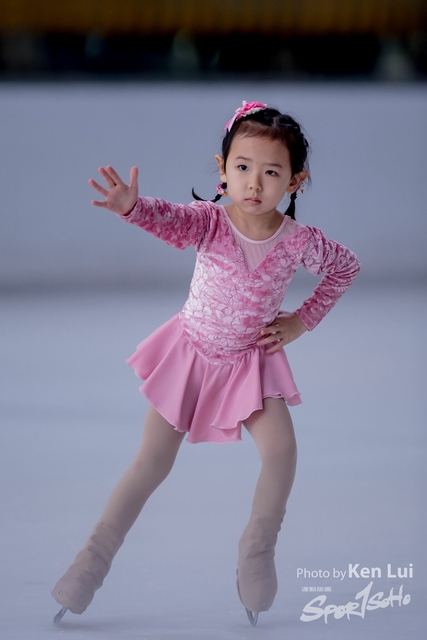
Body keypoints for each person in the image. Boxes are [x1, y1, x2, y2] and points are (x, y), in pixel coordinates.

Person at [51, 100, 360, 627]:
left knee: (282, 451)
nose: (254, 183)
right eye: (242, 167)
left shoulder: (299, 243)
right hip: (191, 355)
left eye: (271, 172)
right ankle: (90, 562)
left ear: (295, 181)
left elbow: (345, 268)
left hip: (249, 364)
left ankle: (256, 550)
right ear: (222, 170)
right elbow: (168, 220)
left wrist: (302, 320)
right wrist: (132, 207)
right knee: (151, 464)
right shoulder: (209, 223)